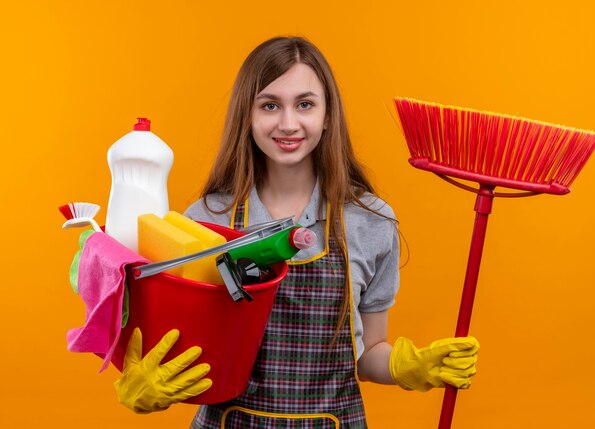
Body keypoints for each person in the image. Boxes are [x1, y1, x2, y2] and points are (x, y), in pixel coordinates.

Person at [113, 36, 479, 428]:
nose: (288, 124)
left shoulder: (370, 221)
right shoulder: (203, 220)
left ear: (326, 115)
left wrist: (411, 367)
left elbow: (369, 353)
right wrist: (139, 378)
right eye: (270, 105)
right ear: (247, 116)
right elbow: (172, 344)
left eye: (305, 104)